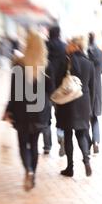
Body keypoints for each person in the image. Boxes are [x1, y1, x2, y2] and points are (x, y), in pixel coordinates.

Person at [3, 30, 54, 190]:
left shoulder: (19, 65)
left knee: (23, 144)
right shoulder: (46, 66)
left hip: (22, 112)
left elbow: (14, 93)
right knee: (34, 144)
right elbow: (51, 91)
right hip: (40, 112)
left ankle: (29, 171)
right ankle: (33, 173)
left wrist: (8, 110)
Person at [56, 36, 95, 177]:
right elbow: (92, 88)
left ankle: (70, 167)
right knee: (81, 134)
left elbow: (57, 81)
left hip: (68, 102)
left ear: (75, 46)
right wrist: (89, 107)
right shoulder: (89, 64)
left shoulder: (66, 62)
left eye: (69, 44)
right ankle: (86, 161)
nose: (67, 46)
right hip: (83, 103)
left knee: (68, 134)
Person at [46, 25, 66, 156]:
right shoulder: (64, 47)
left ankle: (47, 145)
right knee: (60, 115)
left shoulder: (45, 45)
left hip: (46, 86)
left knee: (46, 115)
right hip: (60, 86)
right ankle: (61, 137)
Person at [87, 32, 102, 153]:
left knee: (84, 118)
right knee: (94, 117)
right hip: (97, 86)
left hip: (86, 86)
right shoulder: (100, 53)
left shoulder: (85, 52)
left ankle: (87, 143)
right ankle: (96, 141)